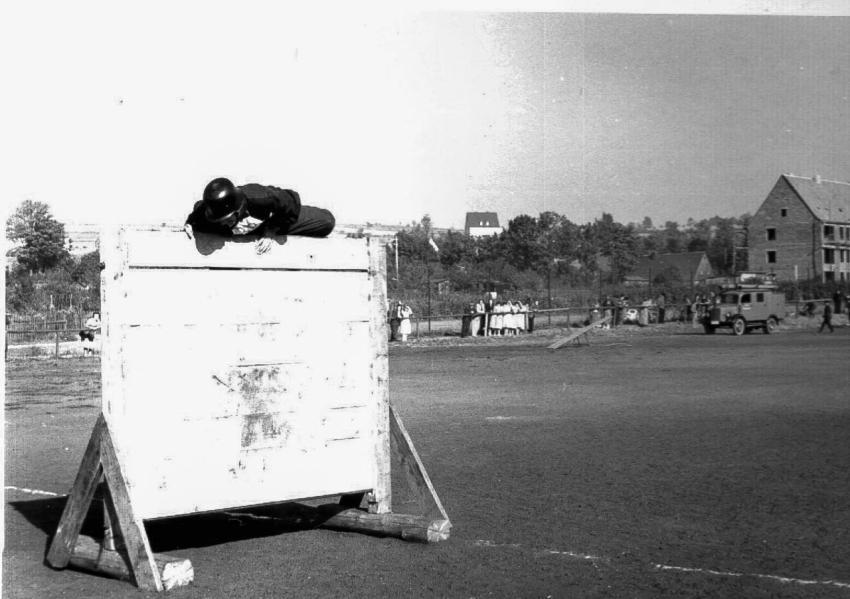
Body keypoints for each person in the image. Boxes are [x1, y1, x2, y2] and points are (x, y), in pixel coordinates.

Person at [184, 178, 335, 254]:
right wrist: (190, 223)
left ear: (238, 210)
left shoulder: (261, 197)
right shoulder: (206, 214)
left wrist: (271, 230)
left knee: (327, 221)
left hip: (274, 220)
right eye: (221, 221)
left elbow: (290, 201)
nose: (225, 224)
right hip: (250, 231)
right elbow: (197, 214)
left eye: (228, 220)